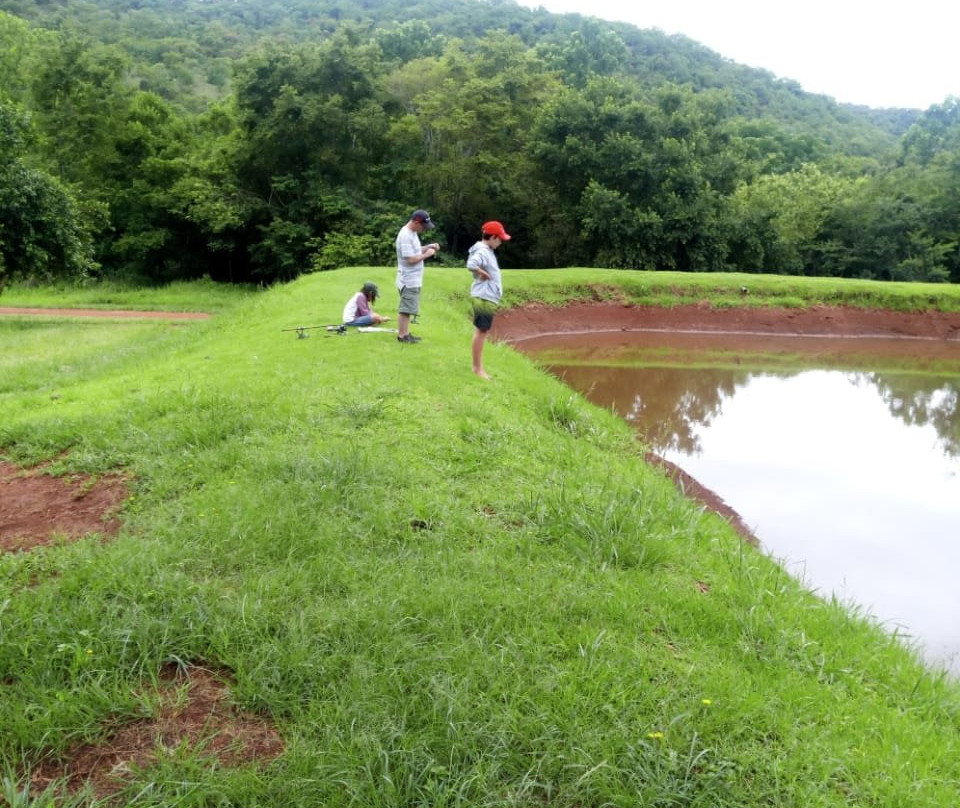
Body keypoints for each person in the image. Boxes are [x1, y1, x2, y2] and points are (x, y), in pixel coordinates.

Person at [466, 220, 511, 379]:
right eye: (499, 239)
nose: (500, 242)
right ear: (492, 237)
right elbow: (471, 264)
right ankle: (477, 369)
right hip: (483, 297)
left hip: (486, 296)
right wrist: (482, 273)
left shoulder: (486, 250)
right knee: (481, 331)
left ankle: (477, 367)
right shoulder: (483, 251)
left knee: (481, 331)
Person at [394, 209, 440, 343]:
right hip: (408, 279)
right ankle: (402, 336)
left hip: (413, 279)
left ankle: (406, 333)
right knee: (405, 309)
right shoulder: (405, 236)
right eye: (423, 226)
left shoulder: (412, 233)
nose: (424, 229)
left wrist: (428, 247)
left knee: (409, 308)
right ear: (415, 222)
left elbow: (415, 250)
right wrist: (427, 254)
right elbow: (410, 259)